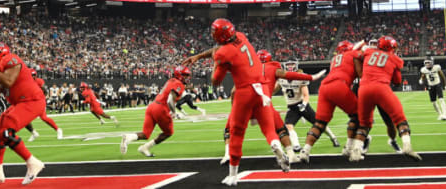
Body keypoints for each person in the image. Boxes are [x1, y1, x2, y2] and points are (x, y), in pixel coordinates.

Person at [184, 19, 290, 186]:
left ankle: (233, 175)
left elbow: (215, 81)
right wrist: (199, 56)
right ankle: (276, 145)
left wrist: (216, 62)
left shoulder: (222, 53)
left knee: (237, 133)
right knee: (269, 129)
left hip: (244, 91)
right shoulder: (240, 36)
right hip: (262, 89)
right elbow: (220, 48)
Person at [350, 36, 421, 162]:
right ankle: (407, 146)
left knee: (364, 124)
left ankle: (356, 151)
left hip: (364, 89)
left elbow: (354, 54)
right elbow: (397, 81)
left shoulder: (368, 52)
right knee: (400, 119)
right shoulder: (395, 59)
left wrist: (361, 73)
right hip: (381, 88)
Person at [299, 40, 364, 163]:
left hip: (324, 87)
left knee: (319, 123)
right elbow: (362, 67)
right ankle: (350, 148)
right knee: (359, 116)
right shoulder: (353, 54)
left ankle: (305, 151)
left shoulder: (335, 59)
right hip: (339, 85)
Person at [0, 42, 46, 184]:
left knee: (5, 132)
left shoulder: (11, 59)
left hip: (32, 101)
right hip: (21, 103)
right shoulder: (0, 72)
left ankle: (32, 162)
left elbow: (9, 81)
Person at [120, 66, 191, 156]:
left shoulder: (171, 80)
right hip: (161, 109)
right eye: (185, 75)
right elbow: (170, 100)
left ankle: (129, 137)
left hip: (152, 106)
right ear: (180, 75)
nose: (187, 77)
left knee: (145, 134)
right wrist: (174, 112)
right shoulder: (179, 84)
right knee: (168, 132)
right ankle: (146, 147)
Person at [276, 58, 339, 152]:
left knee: (318, 124)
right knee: (288, 125)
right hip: (292, 107)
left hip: (302, 105)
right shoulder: (282, 78)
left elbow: (306, 95)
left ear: (296, 65)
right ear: (285, 65)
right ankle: (296, 145)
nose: (290, 66)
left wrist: (304, 104)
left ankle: (333, 137)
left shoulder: (300, 77)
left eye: (292, 64)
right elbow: (275, 89)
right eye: (288, 64)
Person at [24, 69, 63, 142]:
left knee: (44, 118)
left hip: (39, 101)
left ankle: (58, 130)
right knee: (24, 119)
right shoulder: (26, 82)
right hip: (30, 102)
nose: (33, 77)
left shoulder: (39, 81)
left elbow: (45, 90)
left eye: (34, 75)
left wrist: (41, 98)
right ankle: (33, 133)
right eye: (31, 75)